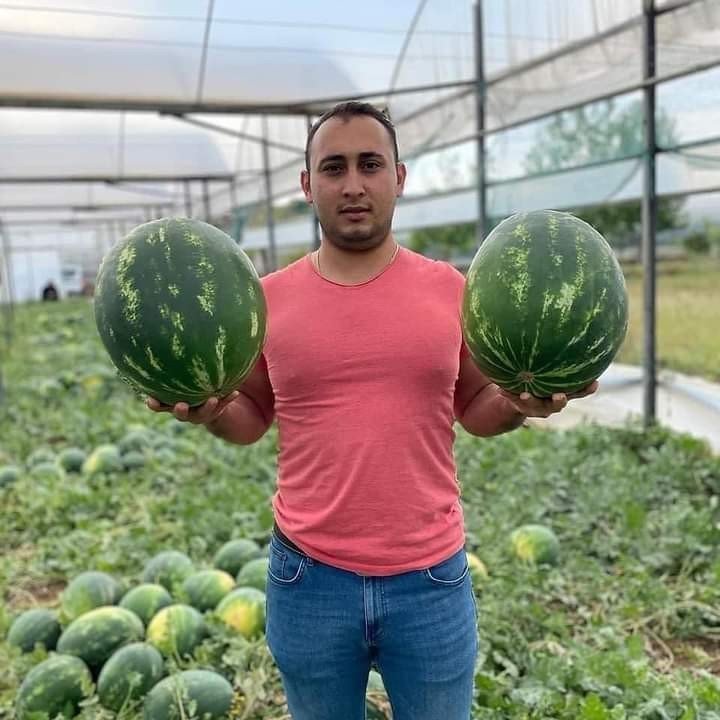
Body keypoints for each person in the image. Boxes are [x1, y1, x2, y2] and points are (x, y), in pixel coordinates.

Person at [148, 101, 598, 720]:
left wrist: (520, 404)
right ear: (308, 185)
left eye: (370, 164)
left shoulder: (453, 291)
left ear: (399, 177)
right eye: (333, 168)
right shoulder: (264, 301)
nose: (353, 184)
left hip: (431, 578)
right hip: (308, 578)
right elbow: (249, 414)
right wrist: (209, 412)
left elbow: (476, 406)